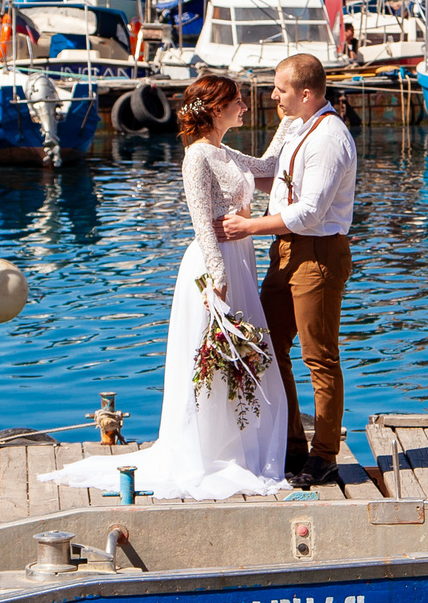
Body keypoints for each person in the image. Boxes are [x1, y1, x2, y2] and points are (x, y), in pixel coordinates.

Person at [41, 75, 286, 499]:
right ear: (215, 108)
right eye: (237, 101)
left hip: (240, 260)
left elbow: (266, 169)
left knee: (242, 359)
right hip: (217, 265)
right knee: (213, 358)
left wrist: (292, 121)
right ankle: (208, 450)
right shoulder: (197, 159)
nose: (245, 105)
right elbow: (200, 222)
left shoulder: (223, 151)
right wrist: (218, 278)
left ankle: (237, 446)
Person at [219, 53, 357, 487]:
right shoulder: (296, 126)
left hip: (317, 253)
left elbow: (311, 212)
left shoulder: (329, 139)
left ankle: (325, 453)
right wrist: (212, 151)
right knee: (268, 344)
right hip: (285, 251)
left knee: (319, 356)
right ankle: (293, 443)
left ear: (307, 93)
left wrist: (249, 227)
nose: (274, 96)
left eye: (281, 89)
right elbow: (269, 176)